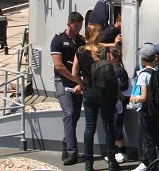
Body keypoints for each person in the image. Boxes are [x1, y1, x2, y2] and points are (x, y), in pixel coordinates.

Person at [73, 24, 120, 171]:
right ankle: (112, 161)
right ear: (98, 34)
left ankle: (88, 163)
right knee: (108, 126)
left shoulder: (79, 51)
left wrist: (82, 84)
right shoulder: (103, 50)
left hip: (89, 93)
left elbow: (74, 72)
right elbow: (111, 73)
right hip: (105, 93)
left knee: (89, 127)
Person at [51, 12, 86, 166]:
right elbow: (59, 66)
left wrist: (80, 82)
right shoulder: (58, 40)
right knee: (69, 113)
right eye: (75, 25)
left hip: (77, 83)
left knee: (75, 116)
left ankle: (66, 146)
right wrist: (76, 79)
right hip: (62, 81)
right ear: (69, 24)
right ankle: (72, 152)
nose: (78, 28)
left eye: (80, 25)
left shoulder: (81, 41)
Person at [131, 44, 159, 171]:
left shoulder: (143, 75)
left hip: (147, 111)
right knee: (158, 139)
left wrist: (134, 99)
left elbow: (143, 97)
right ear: (155, 58)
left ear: (142, 59)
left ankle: (151, 167)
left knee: (149, 142)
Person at [108, 47, 129, 164]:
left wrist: (114, 85)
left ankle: (122, 151)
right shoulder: (108, 69)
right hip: (111, 101)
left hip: (119, 102)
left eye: (110, 56)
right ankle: (115, 151)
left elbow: (124, 85)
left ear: (115, 58)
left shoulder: (120, 71)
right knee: (111, 126)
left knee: (117, 126)